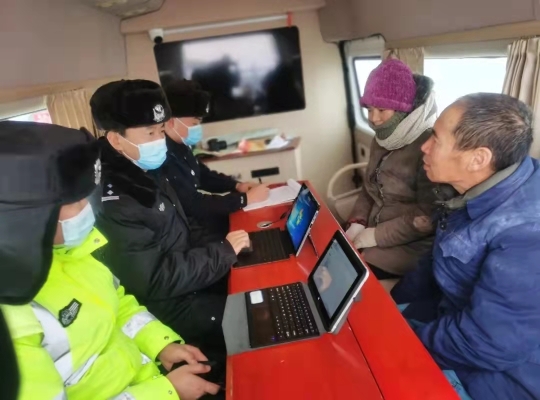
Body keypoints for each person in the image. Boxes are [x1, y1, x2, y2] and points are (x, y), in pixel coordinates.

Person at [0, 121, 220, 400]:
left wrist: (161, 345)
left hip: (147, 379)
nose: (88, 209)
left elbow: (120, 307)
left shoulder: (73, 253)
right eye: (75, 202)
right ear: (23, 215)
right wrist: (166, 392)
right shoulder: (14, 317)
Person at [391, 93, 540, 400]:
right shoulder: (472, 189)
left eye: (436, 139)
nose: (424, 147)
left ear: (478, 159)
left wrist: (404, 344)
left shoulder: (526, 233)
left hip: (496, 374)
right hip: (451, 317)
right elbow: (435, 262)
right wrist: (391, 306)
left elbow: (489, 343)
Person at [90, 80, 250, 354]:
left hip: (189, 284)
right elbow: (154, 280)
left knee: (256, 282)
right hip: (168, 307)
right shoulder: (117, 200)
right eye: (150, 133)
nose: (159, 141)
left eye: (161, 131)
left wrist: (226, 247)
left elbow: (183, 228)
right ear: (116, 140)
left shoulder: (146, 170)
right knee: (253, 316)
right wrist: (222, 252)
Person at [345, 58, 451, 284]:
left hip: (412, 244)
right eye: (369, 109)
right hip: (375, 227)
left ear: (403, 109)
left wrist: (376, 236)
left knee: (352, 274)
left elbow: (428, 216)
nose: (374, 119)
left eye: (381, 109)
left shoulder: (428, 146)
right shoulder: (382, 138)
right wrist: (358, 221)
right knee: (339, 255)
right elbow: (369, 187)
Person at [163, 79, 269, 237]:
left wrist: (236, 185)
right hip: (189, 232)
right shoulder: (162, 157)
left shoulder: (182, 145)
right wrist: (245, 199)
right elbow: (193, 204)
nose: (198, 129)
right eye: (194, 123)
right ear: (171, 121)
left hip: (201, 221)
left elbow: (202, 174)